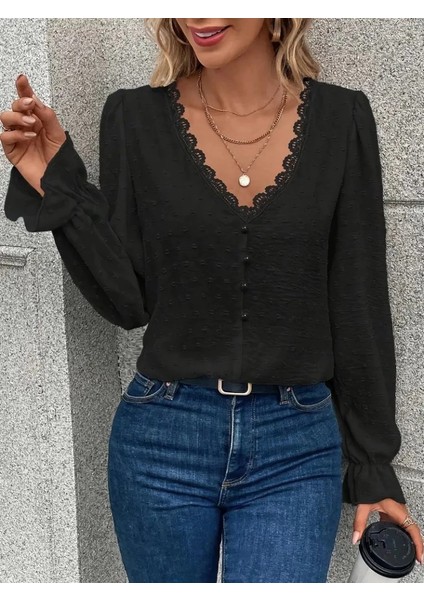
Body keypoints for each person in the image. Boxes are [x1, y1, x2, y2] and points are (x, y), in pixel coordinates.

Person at [1, 17, 422, 584]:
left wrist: (373, 465)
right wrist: (55, 181)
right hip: (161, 438)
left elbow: (359, 298)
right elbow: (128, 301)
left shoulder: (342, 119)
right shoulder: (133, 117)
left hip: (296, 445)